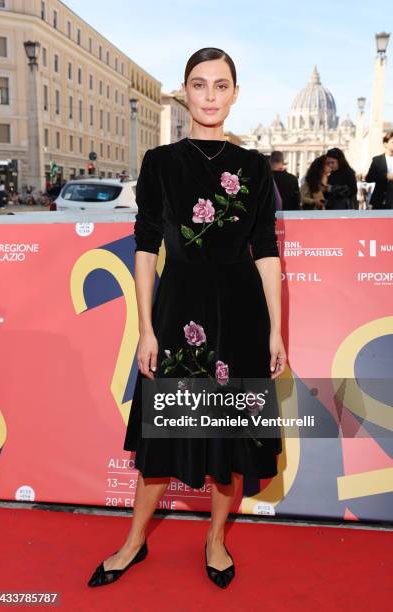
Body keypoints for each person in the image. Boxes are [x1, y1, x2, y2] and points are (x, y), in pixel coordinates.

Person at [87, 47, 286, 590]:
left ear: (235, 94)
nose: (210, 96)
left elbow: (266, 250)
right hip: (178, 314)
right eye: (200, 85)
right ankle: (134, 540)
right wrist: (146, 327)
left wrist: (275, 328)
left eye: (221, 86)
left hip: (240, 314)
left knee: (231, 439)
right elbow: (146, 248)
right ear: (185, 92)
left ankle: (216, 538)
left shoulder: (253, 167)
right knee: (163, 438)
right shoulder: (161, 163)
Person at [365, 131, 393, 209]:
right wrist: (386, 176)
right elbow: (369, 178)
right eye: (392, 142)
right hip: (379, 200)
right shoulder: (377, 160)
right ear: (385, 144)